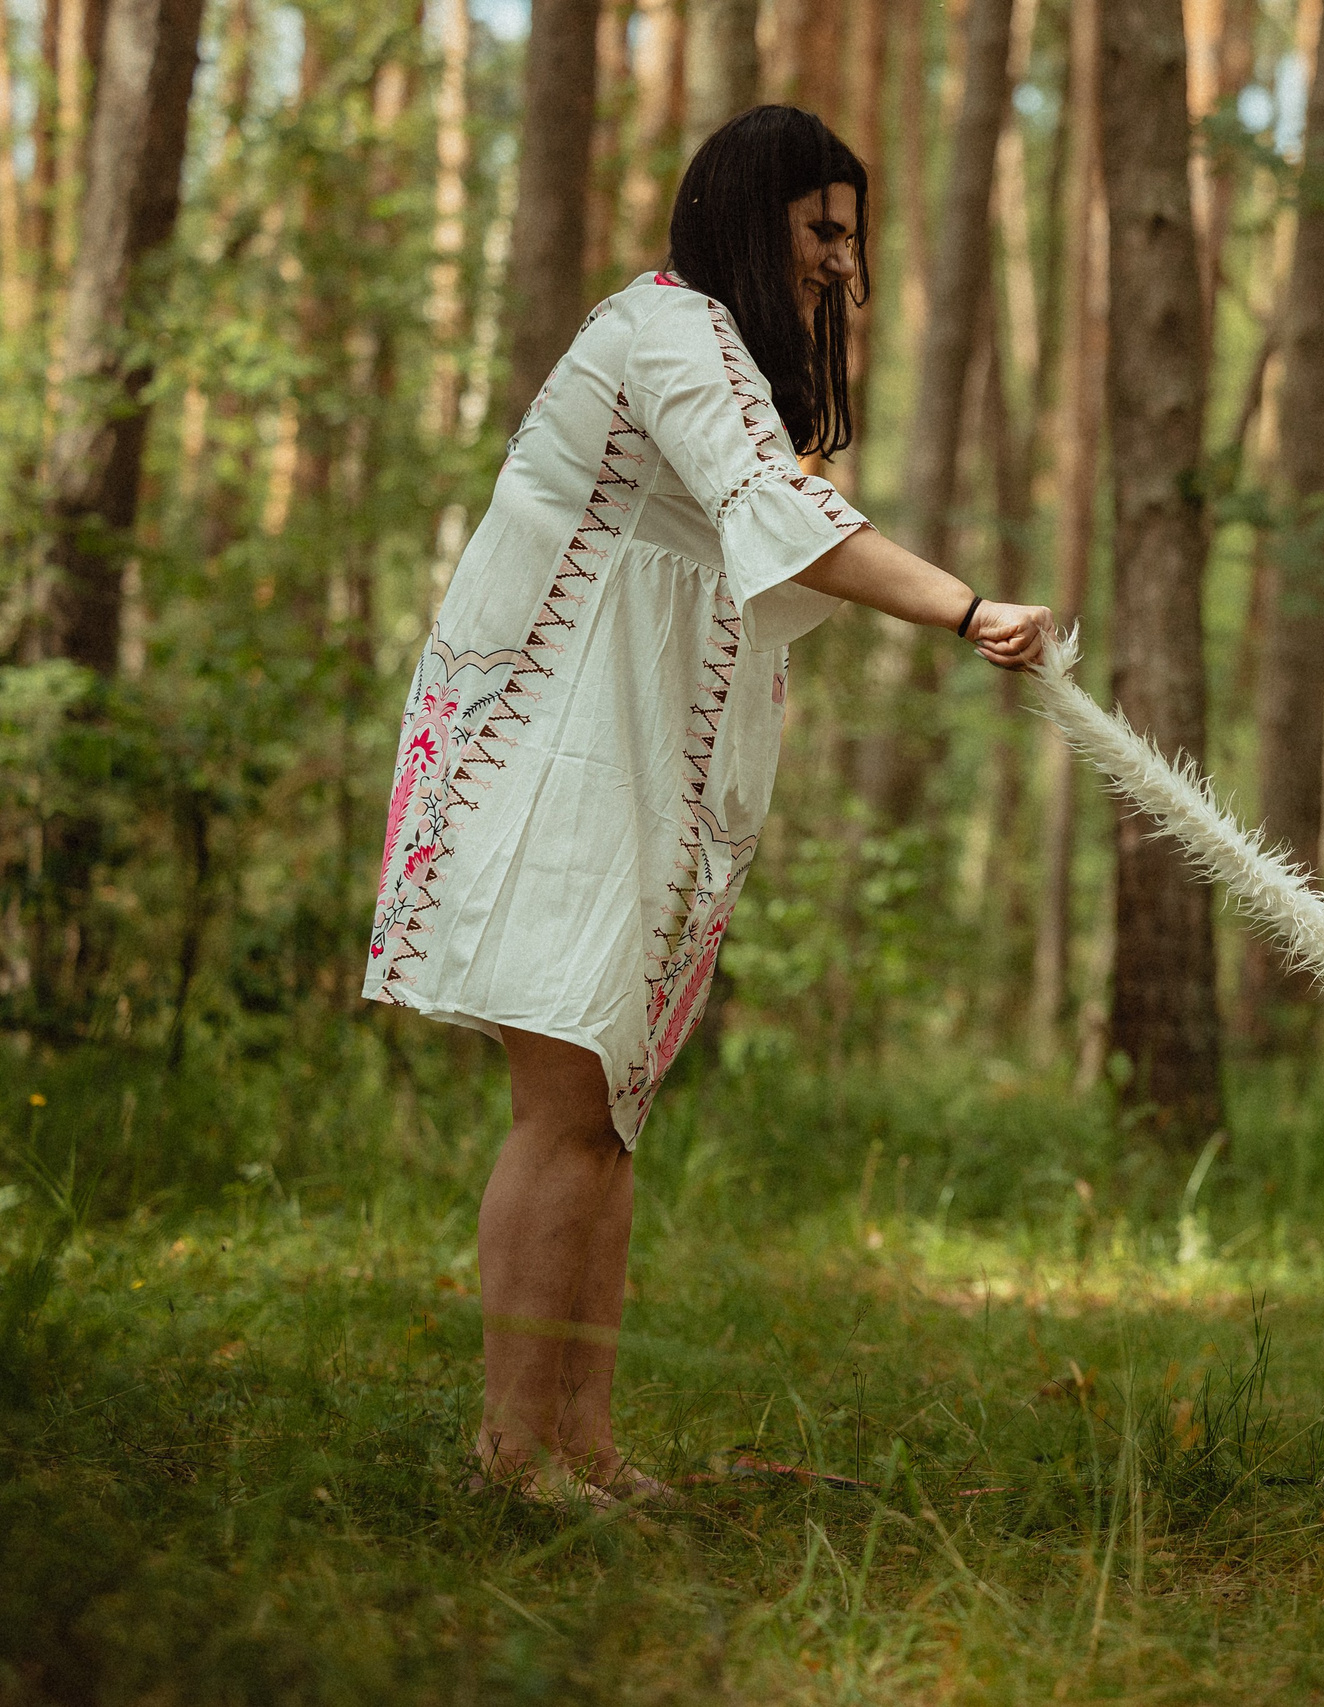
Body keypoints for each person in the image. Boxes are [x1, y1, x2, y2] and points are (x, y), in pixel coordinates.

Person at [365, 107, 1048, 1506]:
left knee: (607, 1114)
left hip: (637, 742)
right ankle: (511, 1452)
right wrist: (968, 611)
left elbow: (776, 515)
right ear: (750, 216)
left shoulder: (724, 357)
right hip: (553, 740)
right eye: (822, 230)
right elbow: (775, 508)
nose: (844, 267)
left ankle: (583, 1443)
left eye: (852, 236)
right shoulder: (666, 328)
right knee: (563, 1104)